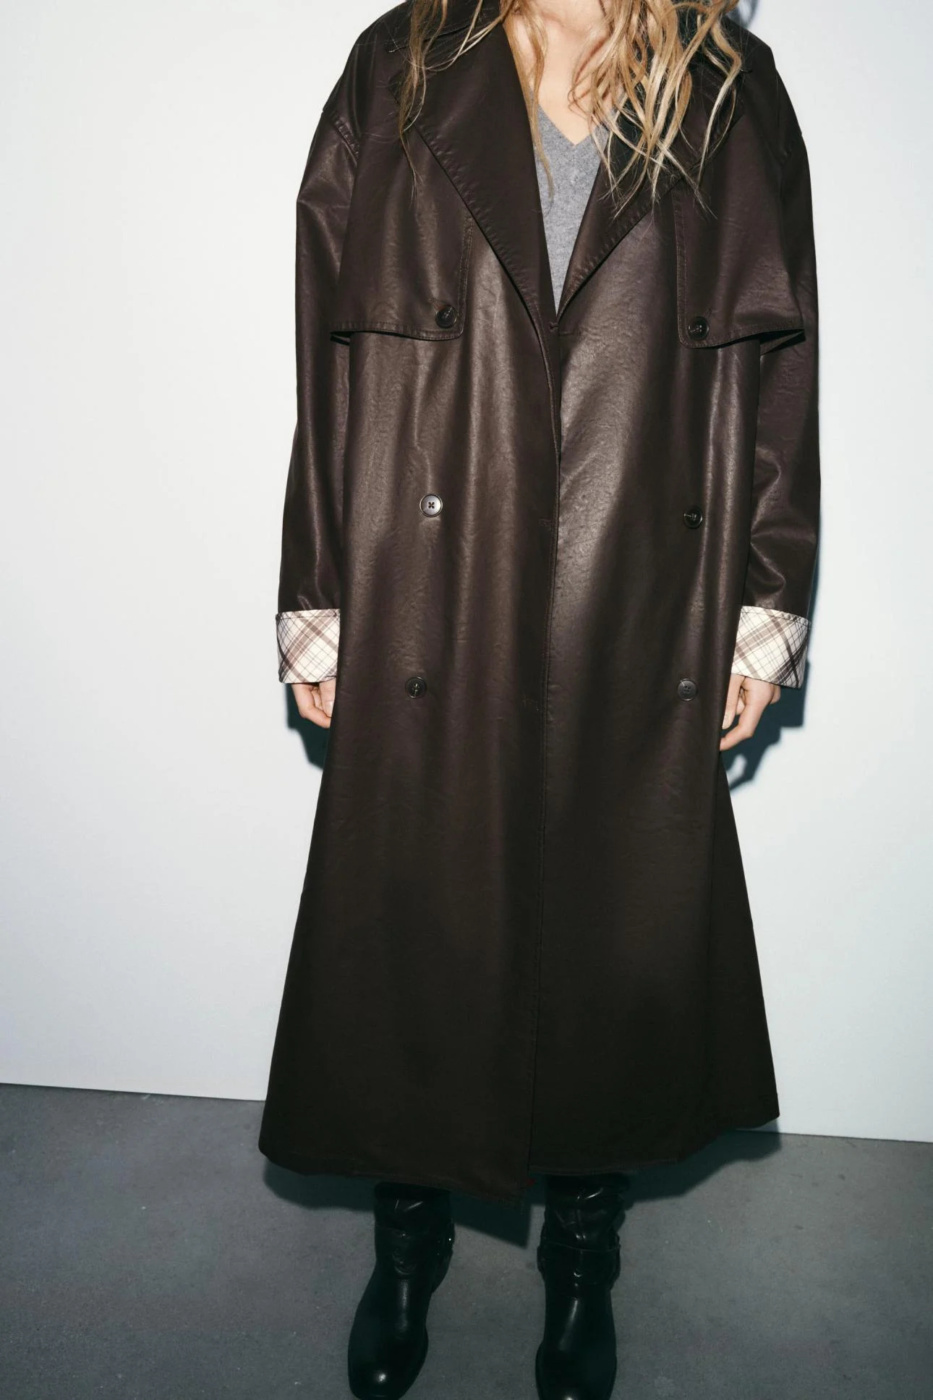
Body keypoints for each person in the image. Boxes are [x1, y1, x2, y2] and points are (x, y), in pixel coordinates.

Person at [258, 0, 820, 1396]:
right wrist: (318, 589)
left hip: (638, 566)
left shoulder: (727, 86)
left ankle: (582, 1257)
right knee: (417, 908)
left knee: (610, 923)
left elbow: (782, 364)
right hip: (431, 562)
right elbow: (326, 347)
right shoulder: (405, 62)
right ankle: (406, 1246)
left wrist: (767, 603)